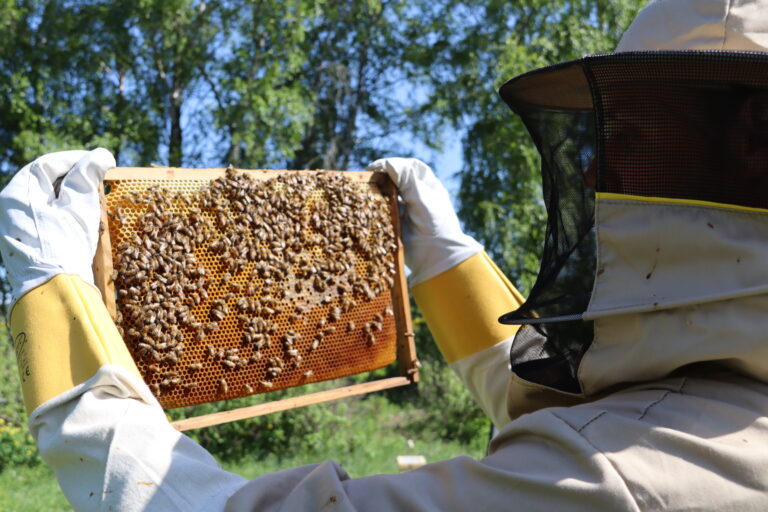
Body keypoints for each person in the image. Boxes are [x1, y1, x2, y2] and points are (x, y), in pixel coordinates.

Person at [3, 0, 768, 510]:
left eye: (627, 133)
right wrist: (448, 262)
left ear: (755, 139)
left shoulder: (629, 483)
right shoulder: (722, 413)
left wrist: (57, 317)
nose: (596, 172)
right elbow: (570, 408)